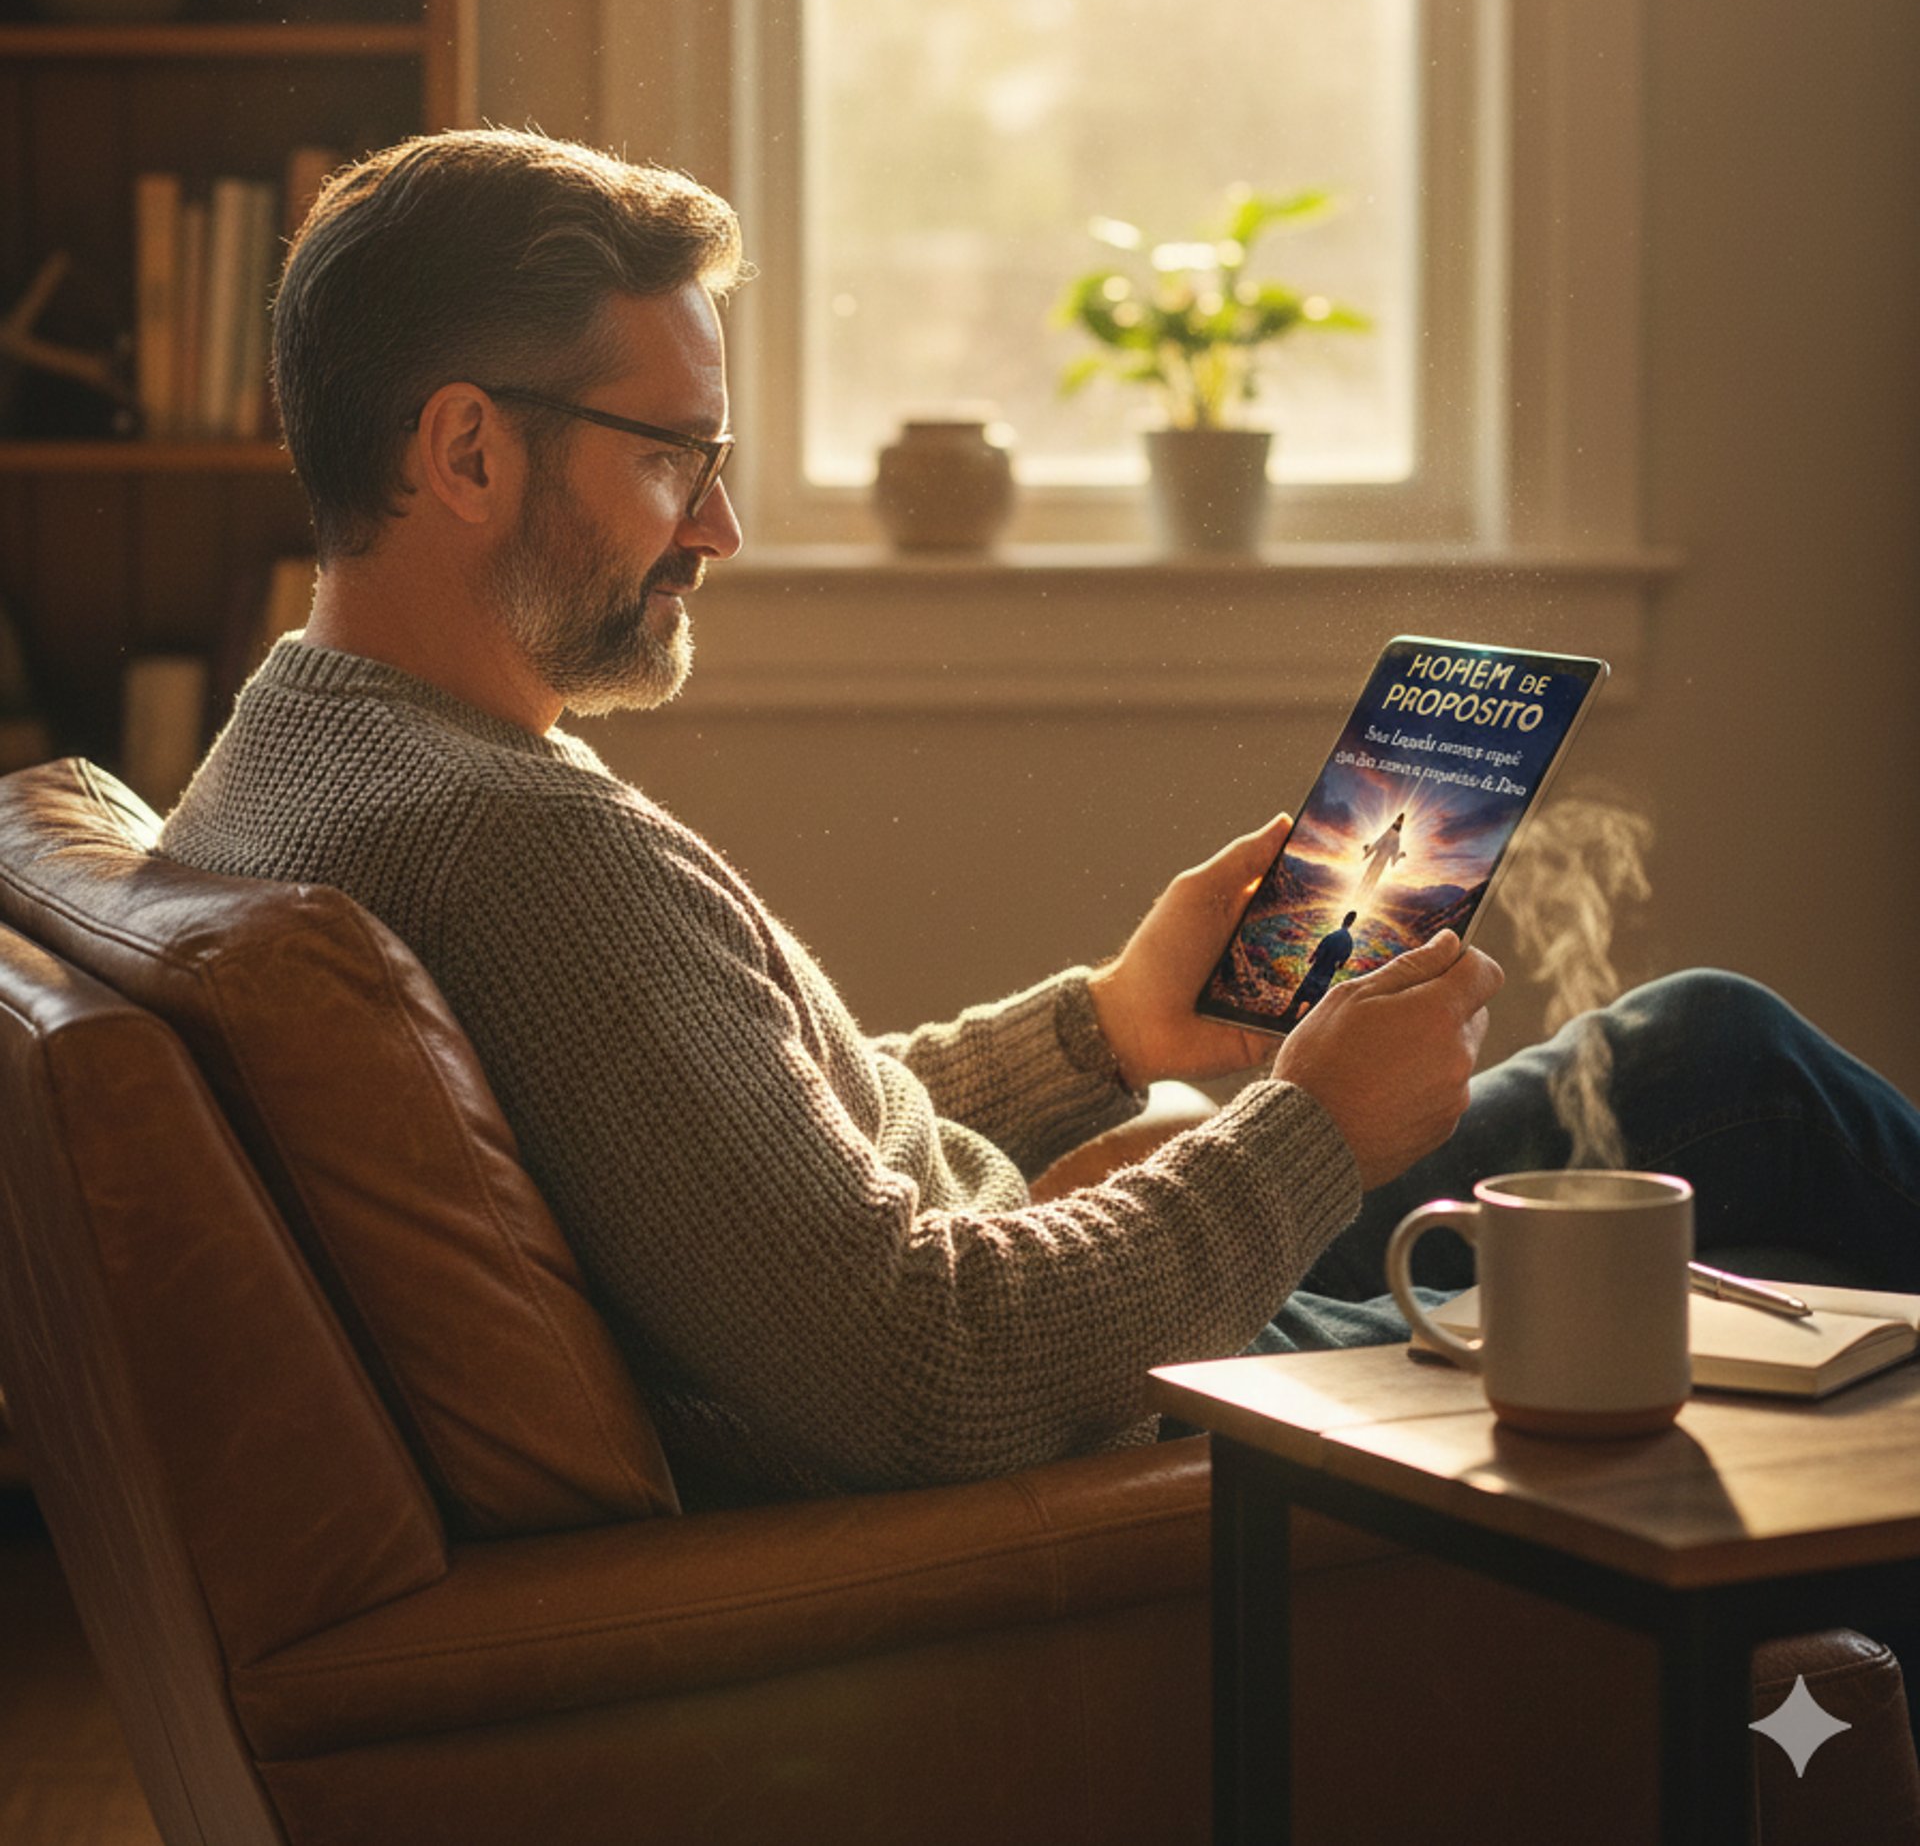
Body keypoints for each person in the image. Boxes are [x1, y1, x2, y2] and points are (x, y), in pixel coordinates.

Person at [162, 129, 1920, 1514]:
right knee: (1731, 1083)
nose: (720, 529)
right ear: (468, 453)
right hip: (1132, 1403)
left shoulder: (302, 752)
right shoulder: (516, 850)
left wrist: (1107, 1027)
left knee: (1702, 1066)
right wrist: (1316, 1125)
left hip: (1079, 1288)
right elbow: (927, 1369)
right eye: (672, 455)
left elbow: (740, 1161)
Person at [1280, 910, 1359, 1027]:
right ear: (1352, 923)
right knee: (1315, 1001)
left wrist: (1313, 958)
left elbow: (1319, 949)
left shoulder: (1332, 936)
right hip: (1326, 974)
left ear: (1344, 920)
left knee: (1301, 994)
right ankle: (1306, 1025)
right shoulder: (1348, 941)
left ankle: (1287, 1019)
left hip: (1317, 969)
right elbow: (1341, 963)